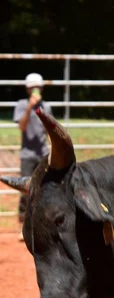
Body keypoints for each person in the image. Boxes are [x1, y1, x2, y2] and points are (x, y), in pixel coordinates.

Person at [13, 73, 52, 241]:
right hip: (27, 154)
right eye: (32, 87)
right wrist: (30, 108)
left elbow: (49, 130)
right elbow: (22, 126)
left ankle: (43, 226)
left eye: (38, 86)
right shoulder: (21, 105)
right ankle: (24, 227)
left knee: (46, 189)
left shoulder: (47, 107)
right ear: (28, 89)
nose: (35, 89)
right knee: (25, 191)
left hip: (43, 153)